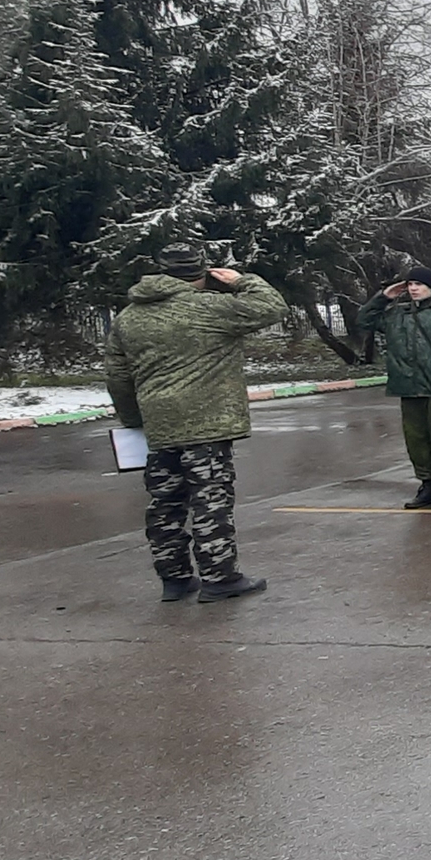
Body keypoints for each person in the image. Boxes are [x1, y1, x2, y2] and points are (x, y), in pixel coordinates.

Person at [103, 243, 286, 602]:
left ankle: (174, 579)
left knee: (165, 502)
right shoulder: (211, 308)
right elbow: (273, 307)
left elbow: (117, 376)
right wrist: (241, 280)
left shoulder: (128, 317)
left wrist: (135, 420)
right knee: (210, 500)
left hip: (158, 423)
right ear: (201, 273)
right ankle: (220, 578)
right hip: (207, 424)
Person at [364, 267, 431, 511]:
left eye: (418, 284)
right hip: (408, 387)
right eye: (410, 284)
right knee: (416, 439)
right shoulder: (397, 314)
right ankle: (427, 485)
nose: (413, 289)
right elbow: (364, 320)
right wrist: (384, 297)